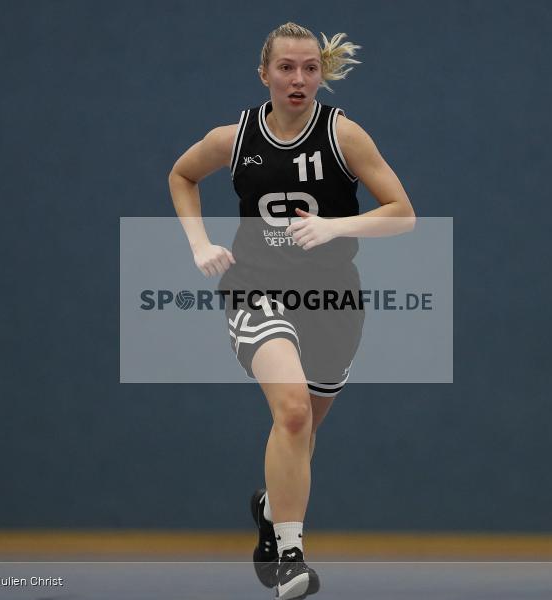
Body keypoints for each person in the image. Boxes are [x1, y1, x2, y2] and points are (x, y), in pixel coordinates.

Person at [169, 22, 414, 600]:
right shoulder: (235, 138)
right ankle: (289, 553)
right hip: (255, 287)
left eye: (309, 68)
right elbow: (182, 175)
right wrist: (199, 244)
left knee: (301, 433)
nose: (298, 79)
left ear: (321, 74)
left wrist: (336, 225)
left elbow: (403, 212)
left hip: (332, 298)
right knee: (293, 412)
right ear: (265, 75)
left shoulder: (344, 136)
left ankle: (269, 507)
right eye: (286, 68)